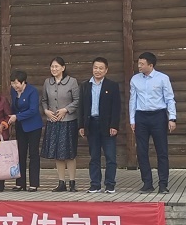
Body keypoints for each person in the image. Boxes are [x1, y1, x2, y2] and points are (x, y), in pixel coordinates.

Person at [129, 52, 176, 194]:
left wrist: (172, 118)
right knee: (141, 151)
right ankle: (147, 183)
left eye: (142, 64)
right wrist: (132, 120)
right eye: (138, 63)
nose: (139, 66)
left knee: (162, 151)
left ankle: (163, 184)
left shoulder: (162, 78)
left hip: (158, 116)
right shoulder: (135, 79)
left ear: (150, 65)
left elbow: (169, 98)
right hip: (141, 116)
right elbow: (132, 100)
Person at [78, 57, 121, 194]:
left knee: (110, 156)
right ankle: (95, 184)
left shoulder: (112, 85)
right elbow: (81, 107)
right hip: (91, 124)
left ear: (106, 70)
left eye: (101, 68)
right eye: (95, 68)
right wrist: (81, 126)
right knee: (94, 157)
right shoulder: (85, 85)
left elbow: (116, 107)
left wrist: (114, 125)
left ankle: (110, 184)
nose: (98, 70)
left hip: (107, 125)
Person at [40, 57, 80, 192]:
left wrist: (66, 109)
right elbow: (44, 100)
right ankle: (61, 182)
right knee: (57, 152)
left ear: (63, 68)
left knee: (69, 153)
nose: (54, 69)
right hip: (53, 121)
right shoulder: (47, 82)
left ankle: (72, 182)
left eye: (56, 66)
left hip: (68, 121)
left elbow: (77, 100)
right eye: (52, 66)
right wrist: (46, 111)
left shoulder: (72, 81)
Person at [8, 70, 43, 192]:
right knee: (20, 154)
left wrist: (17, 117)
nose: (14, 86)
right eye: (12, 83)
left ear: (23, 82)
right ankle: (20, 183)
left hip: (33, 126)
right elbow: (14, 106)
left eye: (16, 83)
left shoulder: (32, 91)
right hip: (20, 127)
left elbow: (33, 110)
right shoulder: (13, 91)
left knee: (33, 154)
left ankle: (34, 183)